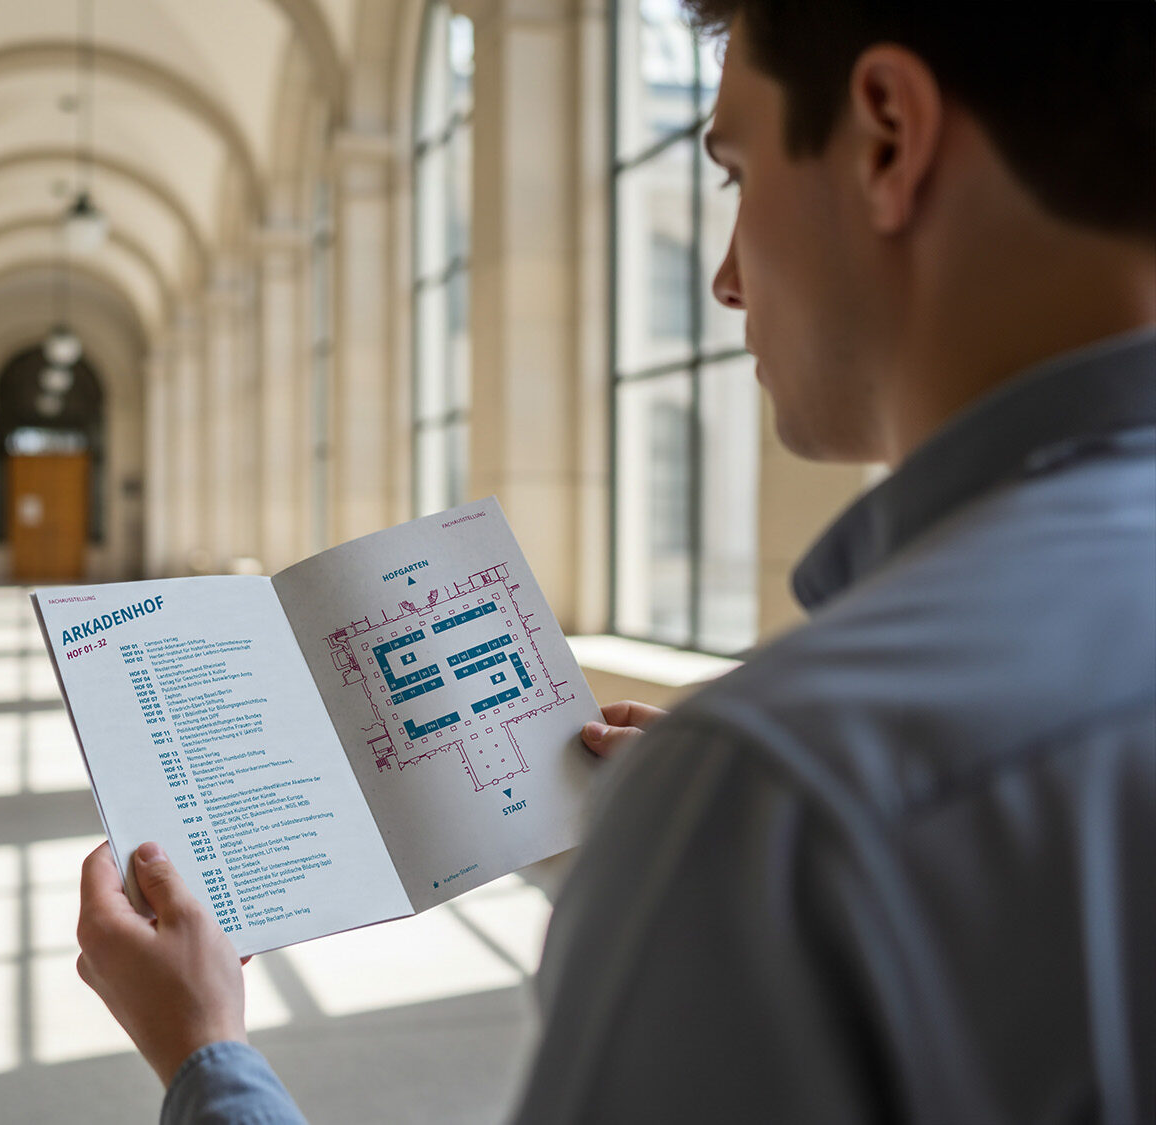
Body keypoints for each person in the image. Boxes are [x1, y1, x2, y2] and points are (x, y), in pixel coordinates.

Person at [74, 1, 1156, 1121]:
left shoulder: (777, 786)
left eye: (732, 176)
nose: (724, 277)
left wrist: (205, 1056)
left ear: (884, 136)